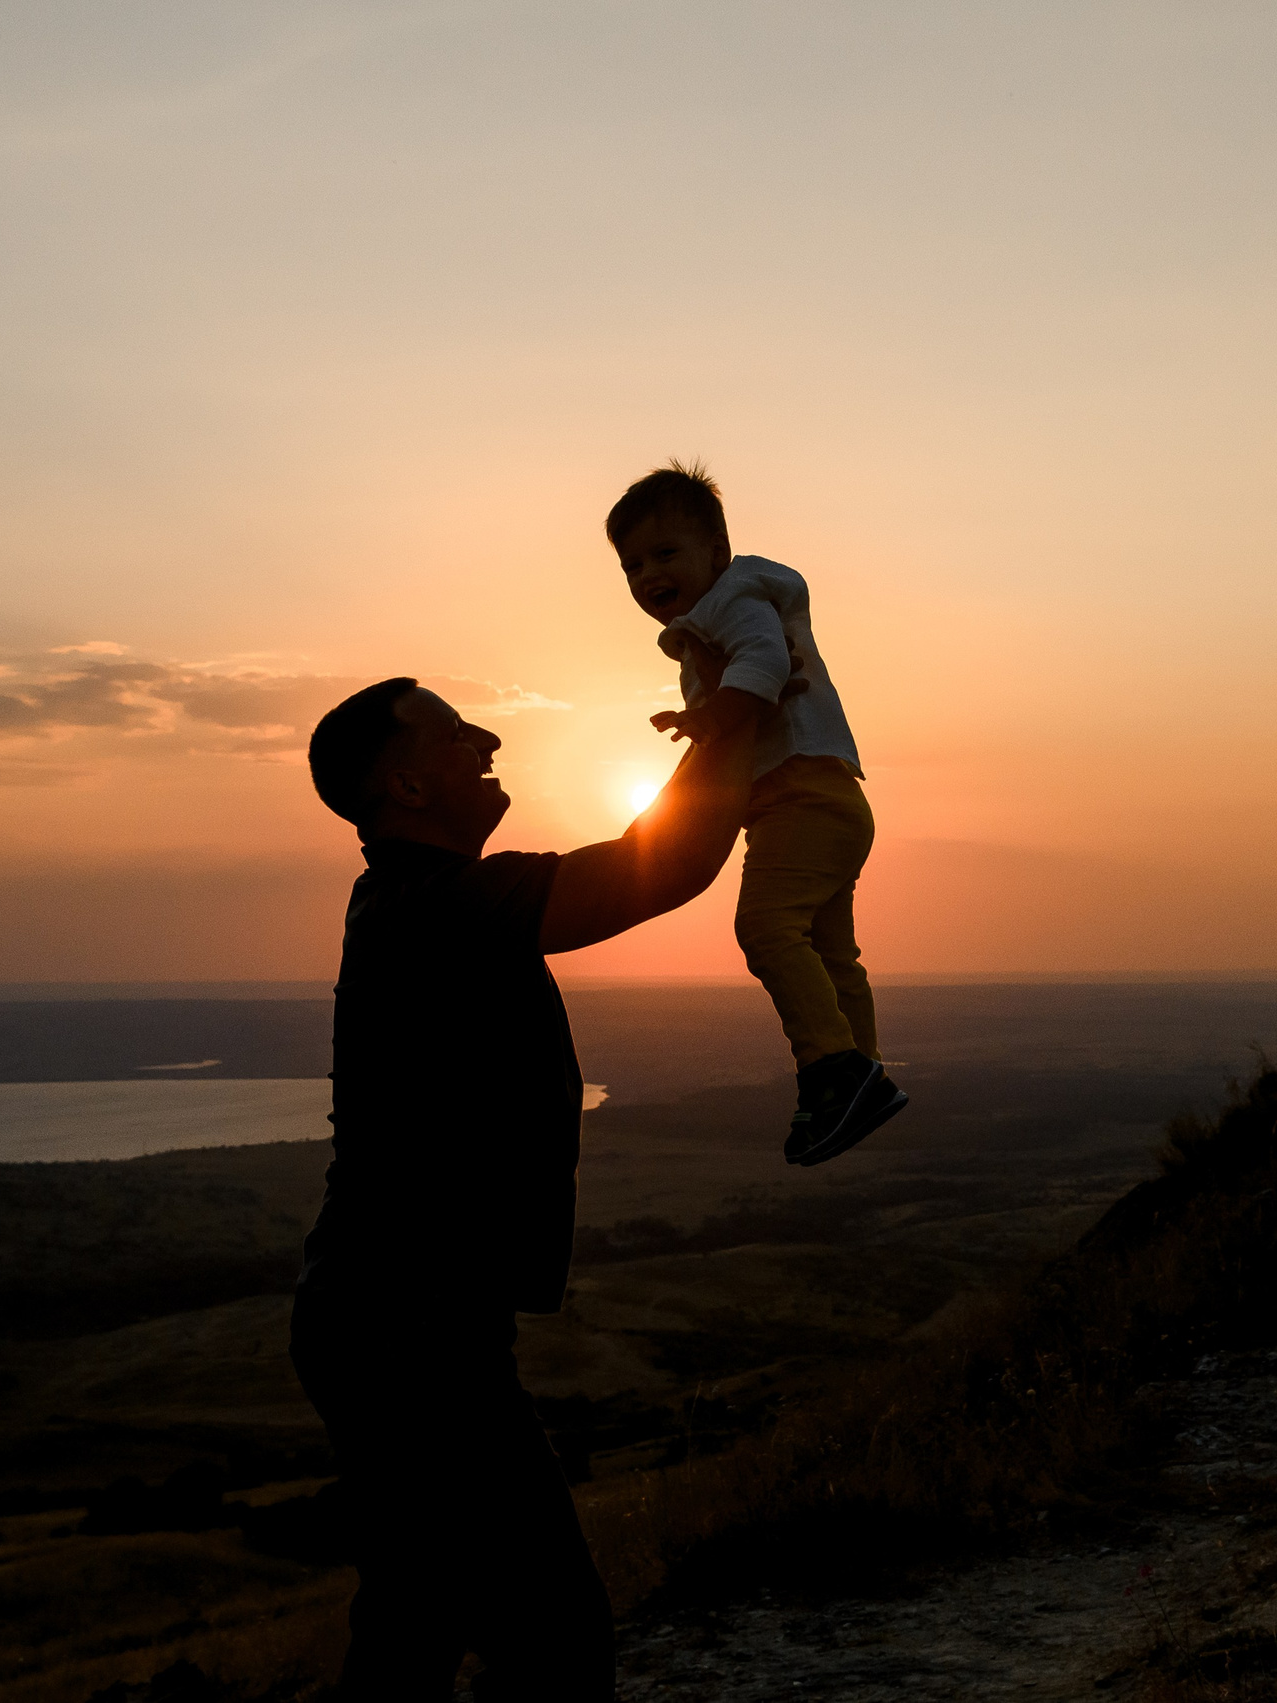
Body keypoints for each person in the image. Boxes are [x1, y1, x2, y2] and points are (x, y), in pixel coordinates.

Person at [293, 674, 762, 1700]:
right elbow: (662, 866)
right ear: (410, 782)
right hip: (402, 1331)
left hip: (394, 1321)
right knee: (550, 1634)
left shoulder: (427, 903)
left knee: (417, 1620)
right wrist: (740, 722)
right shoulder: (431, 906)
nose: (485, 737)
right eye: (457, 732)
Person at [608, 460, 907, 1167]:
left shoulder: (733, 604)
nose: (648, 573)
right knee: (832, 952)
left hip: (800, 796)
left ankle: (833, 1068)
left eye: (665, 553)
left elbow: (765, 665)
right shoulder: (715, 613)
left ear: (717, 552)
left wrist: (709, 718)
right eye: (631, 565)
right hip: (824, 800)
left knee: (765, 925)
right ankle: (862, 1070)